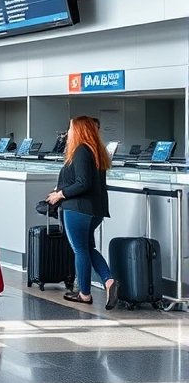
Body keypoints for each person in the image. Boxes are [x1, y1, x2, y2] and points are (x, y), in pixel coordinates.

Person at [46, 116, 119, 308]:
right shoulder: (97, 151)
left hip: (78, 209)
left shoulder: (81, 150)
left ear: (79, 131)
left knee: (80, 250)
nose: (68, 132)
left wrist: (59, 194)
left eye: (70, 129)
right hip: (96, 210)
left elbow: (82, 183)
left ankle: (85, 293)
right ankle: (109, 281)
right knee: (88, 248)